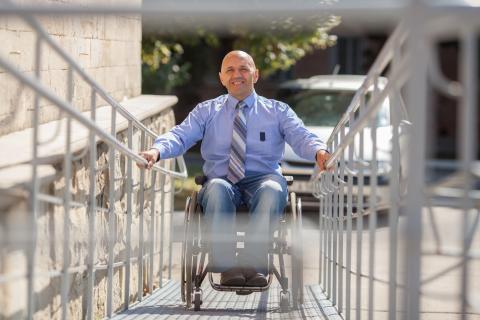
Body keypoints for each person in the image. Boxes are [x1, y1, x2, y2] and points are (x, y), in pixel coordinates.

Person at [138, 50, 330, 287]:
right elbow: (180, 136)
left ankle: (253, 265)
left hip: (263, 179)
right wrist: (156, 151)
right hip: (221, 181)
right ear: (221, 77)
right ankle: (227, 268)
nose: (236, 75)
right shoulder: (206, 111)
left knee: (272, 188)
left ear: (255, 75)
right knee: (217, 188)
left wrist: (319, 152)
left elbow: (302, 136)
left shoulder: (277, 111)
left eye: (243, 69)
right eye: (230, 70)